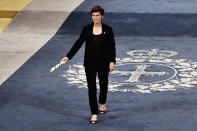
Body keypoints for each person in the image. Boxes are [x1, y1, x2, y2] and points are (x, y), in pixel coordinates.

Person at [60, 5, 116, 124]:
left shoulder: (108, 29)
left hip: (104, 62)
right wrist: (68, 56)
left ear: (102, 16)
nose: (95, 18)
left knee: (103, 84)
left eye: (97, 16)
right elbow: (78, 43)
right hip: (90, 63)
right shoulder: (86, 28)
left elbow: (112, 46)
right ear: (91, 16)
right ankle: (94, 113)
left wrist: (112, 61)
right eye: (93, 16)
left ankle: (102, 102)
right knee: (91, 88)